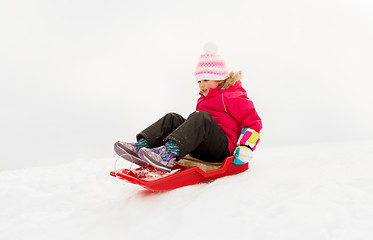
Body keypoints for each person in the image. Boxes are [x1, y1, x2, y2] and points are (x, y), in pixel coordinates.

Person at [115, 42, 262, 172]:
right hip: (204, 147)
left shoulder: (233, 95)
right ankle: (142, 146)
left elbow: (253, 122)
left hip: (223, 149)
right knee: (173, 118)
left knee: (200, 117)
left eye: (205, 79)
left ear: (219, 78)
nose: (201, 85)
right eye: (199, 81)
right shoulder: (204, 99)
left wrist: (245, 147)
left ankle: (168, 154)